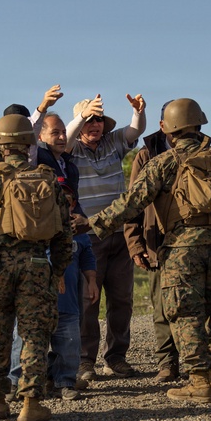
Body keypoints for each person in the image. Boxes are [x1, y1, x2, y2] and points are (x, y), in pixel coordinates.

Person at [89, 98, 211, 403]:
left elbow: (131, 204)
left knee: (186, 313)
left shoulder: (162, 163)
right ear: (199, 124)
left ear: (168, 128)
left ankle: (198, 381)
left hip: (182, 250)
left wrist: (93, 223)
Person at [0, 114, 73, 421]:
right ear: (28, 144)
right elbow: (64, 232)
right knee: (35, 334)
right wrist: (59, 269)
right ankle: (31, 403)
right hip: (37, 266)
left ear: (0, 145)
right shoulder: (47, 179)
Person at [6, 112, 100, 400]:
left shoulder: (73, 226)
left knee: (68, 336)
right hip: (34, 294)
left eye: (68, 199)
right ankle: (16, 383)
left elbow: (85, 254)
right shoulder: (34, 226)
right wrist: (43, 107)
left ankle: (65, 382)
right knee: (23, 335)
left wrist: (92, 279)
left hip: (68, 297)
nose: (63, 202)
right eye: (54, 132)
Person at [65, 93, 147, 380]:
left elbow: (135, 130)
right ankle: (85, 361)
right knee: (88, 300)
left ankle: (116, 357)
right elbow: (63, 138)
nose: (95, 125)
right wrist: (81, 115)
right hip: (89, 236)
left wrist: (138, 112)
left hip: (118, 233)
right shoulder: (70, 149)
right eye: (89, 120)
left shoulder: (113, 142)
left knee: (122, 299)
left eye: (99, 119)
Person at [122, 101, 182, 383]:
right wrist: (135, 245)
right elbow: (132, 204)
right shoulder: (146, 155)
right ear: (163, 126)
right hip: (156, 244)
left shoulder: (202, 154)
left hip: (192, 245)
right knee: (161, 308)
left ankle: (200, 366)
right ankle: (167, 363)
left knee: (195, 308)